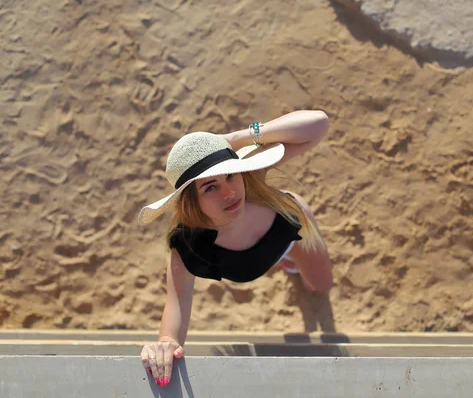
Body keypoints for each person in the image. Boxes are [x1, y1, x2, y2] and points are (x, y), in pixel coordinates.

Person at [137, 110, 333, 388]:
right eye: (210, 187)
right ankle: (286, 264)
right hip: (251, 263)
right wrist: (164, 346)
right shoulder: (188, 246)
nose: (229, 192)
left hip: (292, 232)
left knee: (322, 284)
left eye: (231, 175)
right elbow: (176, 309)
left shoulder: (251, 176)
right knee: (312, 282)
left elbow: (318, 124)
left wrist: (235, 138)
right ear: (191, 201)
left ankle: (288, 262)